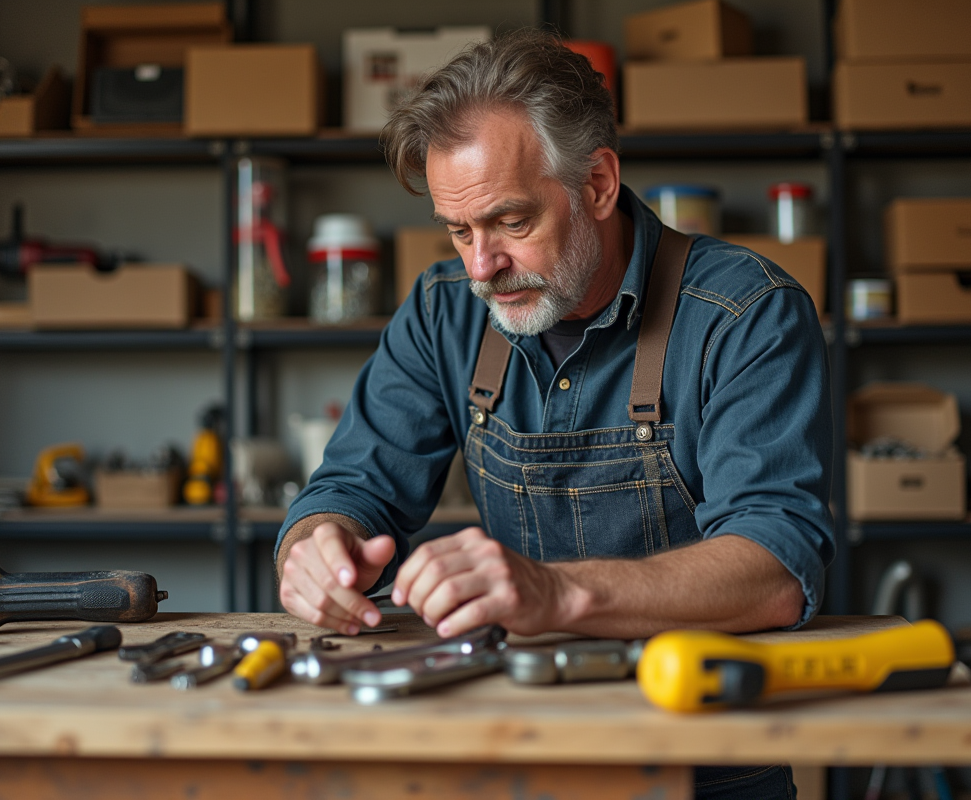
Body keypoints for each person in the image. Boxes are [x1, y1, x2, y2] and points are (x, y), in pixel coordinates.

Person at [276, 28, 833, 799]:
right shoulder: (444, 311)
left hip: (705, 759)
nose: (481, 267)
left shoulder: (745, 315)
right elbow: (350, 489)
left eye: (511, 222)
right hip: (518, 749)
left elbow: (774, 569)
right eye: (459, 230)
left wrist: (557, 593)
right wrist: (315, 549)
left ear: (597, 184)